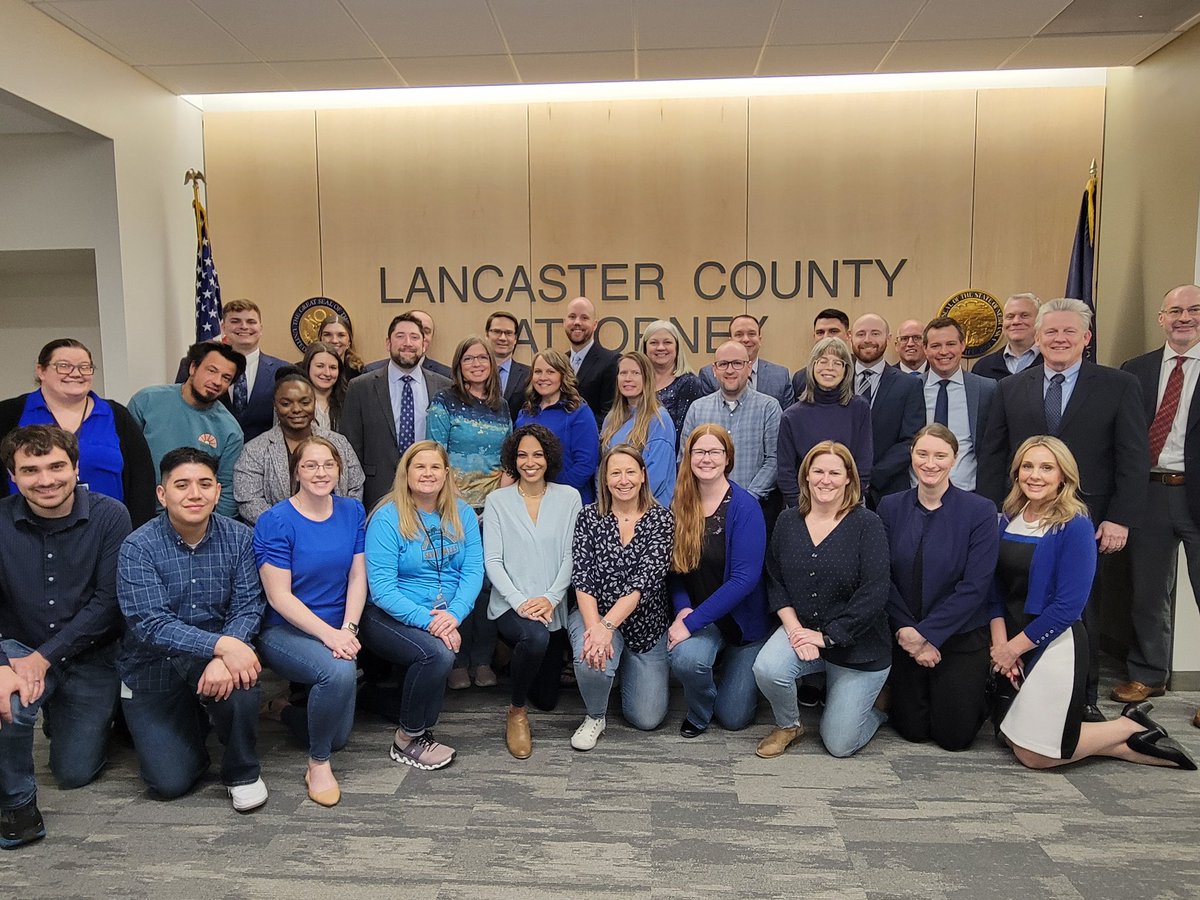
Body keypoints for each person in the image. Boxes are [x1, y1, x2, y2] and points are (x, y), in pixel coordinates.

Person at [979, 297, 1148, 721]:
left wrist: (1120, 517)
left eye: (1068, 331)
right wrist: (993, 515)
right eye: (1050, 331)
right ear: (1037, 338)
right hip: (1022, 517)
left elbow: (1132, 457)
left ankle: (1082, 695)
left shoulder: (1118, 385)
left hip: (1089, 521)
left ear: (1086, 338)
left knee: (1080, 607)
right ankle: (1017, 680)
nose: (1058, 339)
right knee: (1019, 598)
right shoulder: (1010, 388)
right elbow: (994, 455)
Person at [991, 436, 1194, 771]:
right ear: (1016, 473)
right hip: (1010, 641)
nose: (1035, 475)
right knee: (1008, 736)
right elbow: (994, 590)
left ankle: (1128, 727)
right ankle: (1126, 745)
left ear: (1064, 476)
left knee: (1033, 756)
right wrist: (1001, 645)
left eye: (1046, 467)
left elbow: (1068, 607)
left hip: (1055, 645)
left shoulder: (1076, 524)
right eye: (1027, 466)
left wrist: (1015, 648)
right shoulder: (1008, 516)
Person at [0, 425, 132, 849]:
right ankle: (18, 804)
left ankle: (71, 711)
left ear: (76, 468)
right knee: (8, 707)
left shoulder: (111, 514)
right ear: (13, 475)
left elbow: (109, 602)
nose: (46, 480)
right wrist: (3, 666)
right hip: (18, 647)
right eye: (30, 470)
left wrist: (46, 658)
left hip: (91, 653)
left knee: (75, 772)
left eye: (57, 466)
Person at [117, 448, 268, 811]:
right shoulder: (137, 547)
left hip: (213, 661)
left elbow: (249, 604)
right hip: (153, 667)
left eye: (204, 484)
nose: (194, 494)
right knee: (169, 783)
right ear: (161, 493)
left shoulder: (240, 538)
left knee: (243, 679)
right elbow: (151, 625)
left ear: (218, 491)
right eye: (181, 485)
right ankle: (193, 725)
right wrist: (222, 646)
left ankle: (242, 772)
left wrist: (225, 653)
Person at [752, 441, 891, 759]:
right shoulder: (788, 521)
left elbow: (874, 593)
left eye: (834, 472)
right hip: (804, 630)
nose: (825, 479)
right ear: (806, 477)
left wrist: (827, 637)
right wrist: (794, 630)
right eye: (818, 471)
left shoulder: (866, 524)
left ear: (848, 479)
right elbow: (775, 580)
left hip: (858, 646)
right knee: (767, 668)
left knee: (840, 745)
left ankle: (877, 707)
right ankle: (789, 725)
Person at [253, 436, 366, 807]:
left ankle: (283, 710)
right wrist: (331, 637)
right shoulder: (275, 521)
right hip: (285, 630)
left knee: (340, 736)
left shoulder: (352, 512)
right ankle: (318, 764)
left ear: (339, 469)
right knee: (339, 674)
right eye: (310, 465)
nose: (321, 473)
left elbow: (356, 577)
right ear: (296, 472)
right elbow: (278, 596)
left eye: (328, 465)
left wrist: (348, 629)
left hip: (339, 629)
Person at [362, 441, 484, 771]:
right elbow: (383, 590)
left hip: (444, 613)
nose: (427, 474)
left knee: (438, 652)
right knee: (438, 654)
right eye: (419, 467)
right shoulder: (387, 518)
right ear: (406, 473)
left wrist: (454, 614)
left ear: (446, 473)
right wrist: (435, 623)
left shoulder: (463, 514)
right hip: (388, 614)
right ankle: (408, 738)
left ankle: (415, 724)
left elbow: (473, 570)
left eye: (434, 467)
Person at [877, 425, 999, 751]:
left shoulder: (980, 511)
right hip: (905, 634)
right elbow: (882, 577)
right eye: (923, 454)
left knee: (954, 737)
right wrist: (907, 632)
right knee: (912, 730)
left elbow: (976, 586)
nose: (930, 463)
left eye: (940, 455)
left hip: (958, 636)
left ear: (955, 460)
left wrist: (927, 634)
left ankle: (981, 693)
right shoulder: (890, 507)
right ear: (912, 457)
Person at [1117, 284, 1200, 730]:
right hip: (1149, 491)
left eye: (1193, 310)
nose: (1184, 317)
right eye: (1175, 311)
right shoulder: (1138, 370)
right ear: (1161, 317)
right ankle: (1149, 674)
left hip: (1196, 492)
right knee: (1148, 591)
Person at [483, 425, 582, 758]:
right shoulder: (497, 501)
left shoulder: (569, 498)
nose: (530, 462)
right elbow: (492, 561)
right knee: (535, 638)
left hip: (551, 606)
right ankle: (516, 710)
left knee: (549, 700)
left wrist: (550, 598)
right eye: (522, 455)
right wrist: (521, 602)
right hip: (511, 605)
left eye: (537, 454)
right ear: (513, 458)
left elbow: (572, 556)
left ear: (548, 457)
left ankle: (519, 659)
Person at [568, 445, 674, 750]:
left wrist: (608, 628)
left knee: (646, 718)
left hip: (646, 625)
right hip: (595, 613)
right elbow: (583, 578)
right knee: (590, 656)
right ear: (605, 478)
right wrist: (595, 630)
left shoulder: (661, 520)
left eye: (630, 471)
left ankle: (624, 668)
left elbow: (643, 583)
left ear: (642, 476)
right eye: (615, 472)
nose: (623, 479)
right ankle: (595, 716)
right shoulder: (589, 517)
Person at [668, 425, 770, 737]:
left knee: (733, 718)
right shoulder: (680, 505)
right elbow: (673, 571)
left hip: (743, 624)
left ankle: (729, 669)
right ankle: (700, 710)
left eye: (715, 452)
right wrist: (684, 610)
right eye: (699, 451)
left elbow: (744, 579)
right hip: (703, 617)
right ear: (688, 458)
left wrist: (689, 623)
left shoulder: (745, 507)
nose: (706, 458)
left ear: (728, 459)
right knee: (685, 660)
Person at [427, 336, 513, 689]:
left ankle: (482, 660)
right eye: (469, 359)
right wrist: (459, 506)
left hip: (493, 509)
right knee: (455, 581)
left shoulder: (502, 405)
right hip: (453, 508)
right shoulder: (444, 402)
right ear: (458, 365)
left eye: (483, 358)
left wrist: (496, 504)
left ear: (492, 365)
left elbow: (510, 457)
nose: (476, 364)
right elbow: (436, 455)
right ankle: (457, 660)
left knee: (487, 585)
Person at [0, 338, 155, 526]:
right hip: (27, 532)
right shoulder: (8, 414)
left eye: (85, 367)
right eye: (64, 366)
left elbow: (142, 481)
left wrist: (136, 535)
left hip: (108, 532)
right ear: (40, 370)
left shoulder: (117, 415)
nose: (76, 373)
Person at [338, 313, 452, 510]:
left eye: (415, 337)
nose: (407, 343)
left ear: (424, 345)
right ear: (387, 343)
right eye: (400, 336)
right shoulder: (360, 387)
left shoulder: (444, 387)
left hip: (430, 492)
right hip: (376, 491)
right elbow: (350, 447)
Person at [129, 340, 245, 518]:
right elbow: (125, 462)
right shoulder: (147, 401)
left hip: (196, 521)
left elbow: (227, 489)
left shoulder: (230, 430)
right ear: (193, 368)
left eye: (226, 378)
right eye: (211, 370)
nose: (217, 381)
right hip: (143, 515)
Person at [233, 370, 363, 524]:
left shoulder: (339, 443)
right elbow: (249, 501)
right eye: (286, 403)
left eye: (305, 402)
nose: (296, 409)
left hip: (335, 530)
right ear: (275, 405)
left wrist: (334, 522)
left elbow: (355, 488)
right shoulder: (255, 450)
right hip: (279, 536)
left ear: (314, 402)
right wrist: (291, 526)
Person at [679, 340, 781, 507]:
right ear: (714, 370)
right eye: (723, 364)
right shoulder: (697, 408)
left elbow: (774, 460)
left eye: (737, 363)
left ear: (749, 367)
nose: (730, 370)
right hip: (704, 508)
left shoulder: (768, 408)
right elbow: (685, 458)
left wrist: (746, 500)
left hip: (754, 506)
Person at [173, 299, 287, 442]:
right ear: (223, 327)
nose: (244, 326)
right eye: (235, 321)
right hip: (206, 453)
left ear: (261, 328)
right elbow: (181, 411)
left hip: (262, 459)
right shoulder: (192, 363)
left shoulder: (283, 371)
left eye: (251, 322)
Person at [777, 338, 873, 507]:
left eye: (837, 363)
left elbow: (863, 464)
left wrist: (849, 505)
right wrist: (803, 510)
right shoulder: (791, 416)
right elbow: (786, 473)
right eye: (823, 361)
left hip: (849, 506)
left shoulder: (859, 408)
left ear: (846, 370)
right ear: (812, 367)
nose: (829, 368)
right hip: (803, 508)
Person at [847, 314, 924, 507]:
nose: (867, 340)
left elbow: (911, 439)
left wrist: (868, 476)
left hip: (889, 492)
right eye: (861, 334)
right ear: (850, 337)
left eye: (875, 333)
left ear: (888, 339)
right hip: (838, 488)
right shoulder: (836, 380)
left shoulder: (909, 385)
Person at [918, 317, 995, 491]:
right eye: (936, 346)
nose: (944, 351)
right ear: (925, 349)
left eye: (951, 344)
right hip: (919, 492)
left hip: (969, 492)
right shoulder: (909, 388)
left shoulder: (986, 389)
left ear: (962, 345)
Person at [516, 349, 601, 504]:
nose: (543, 377)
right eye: (538, 371)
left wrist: (554, 494)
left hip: (567, 500)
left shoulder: (578, 412)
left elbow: (586, 463)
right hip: (529, 500)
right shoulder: (525, 413)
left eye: (550, 371)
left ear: (563, 376)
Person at [600, 351, 676, 506]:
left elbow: (656, 475)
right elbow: (601, 469)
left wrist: (626, 503)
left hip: (647, 511)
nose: (628, 378)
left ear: (647, 378)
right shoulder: (611, 419)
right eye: (623, 373)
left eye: (635, 373)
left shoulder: (659, 420)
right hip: (613, 509)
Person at [639, 319, 707, 449]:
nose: (660, 347)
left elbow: (686, 434)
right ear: (645, 347)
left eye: (667, 342)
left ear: (677, 347)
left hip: (672, 461)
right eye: (654, 343)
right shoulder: (635, 381)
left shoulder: (689, 383)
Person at [700, 314, 792, 410]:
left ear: (759, 339)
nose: (746, 339)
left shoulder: (781, 376)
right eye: (739, 334)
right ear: (730, 340)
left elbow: (787, 420)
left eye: (751, 334)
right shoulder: (709, 375)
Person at [564, 296, 619, 426]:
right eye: (572, 317)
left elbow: (609, 412)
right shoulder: (560, 362)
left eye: (584, 317)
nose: (577, 322)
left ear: (595, 325)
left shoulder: (610, 361)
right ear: (564, 322)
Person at [972, 293, 1042, 380]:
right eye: (1010, 316)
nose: (1016, 321)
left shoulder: (1053, 364)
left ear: (1039, 321)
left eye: (1024, 316)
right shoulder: (983, 367)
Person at [485, 311, 530, 421]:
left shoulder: (530, 375)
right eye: (497, 331)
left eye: (508, 333)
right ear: (487, 335)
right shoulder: (473, 372)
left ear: (515, 339)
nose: (503, 338)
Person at [302, 341, 347, 430]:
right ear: (308, 366)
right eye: (320, 366)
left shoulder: (348, 401)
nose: (327, 373)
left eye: (333, 367)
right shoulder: (292, 400)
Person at [317, 314, 364, 380]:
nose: (334, 340)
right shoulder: (304, 371)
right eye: (327, 335)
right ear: (320, 338)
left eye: (341, 335)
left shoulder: (359, 372)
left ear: (349, 341)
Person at [411, 309, 453, 378]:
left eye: (426, 331)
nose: (420, 335)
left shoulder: (447, 375)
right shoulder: (386, 370)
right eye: (414, 328)